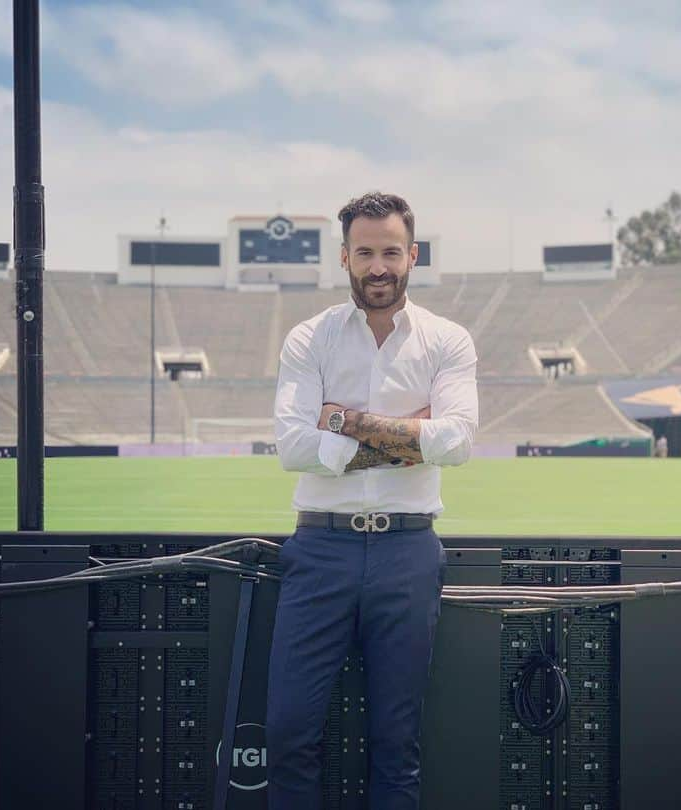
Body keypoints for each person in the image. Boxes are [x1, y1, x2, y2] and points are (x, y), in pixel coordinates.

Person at [267, 191, 479, 809]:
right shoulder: (310, 338)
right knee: (287, 734)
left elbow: (458, 441)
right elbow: (292, 447)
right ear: (345, 257)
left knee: (397, 742)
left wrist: (344, 421)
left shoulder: (448, 339)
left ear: (412, 255)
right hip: (321, 548)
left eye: (391, 251)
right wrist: (409, 434)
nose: (379, 265)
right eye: (366, 252)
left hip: (407, 552)